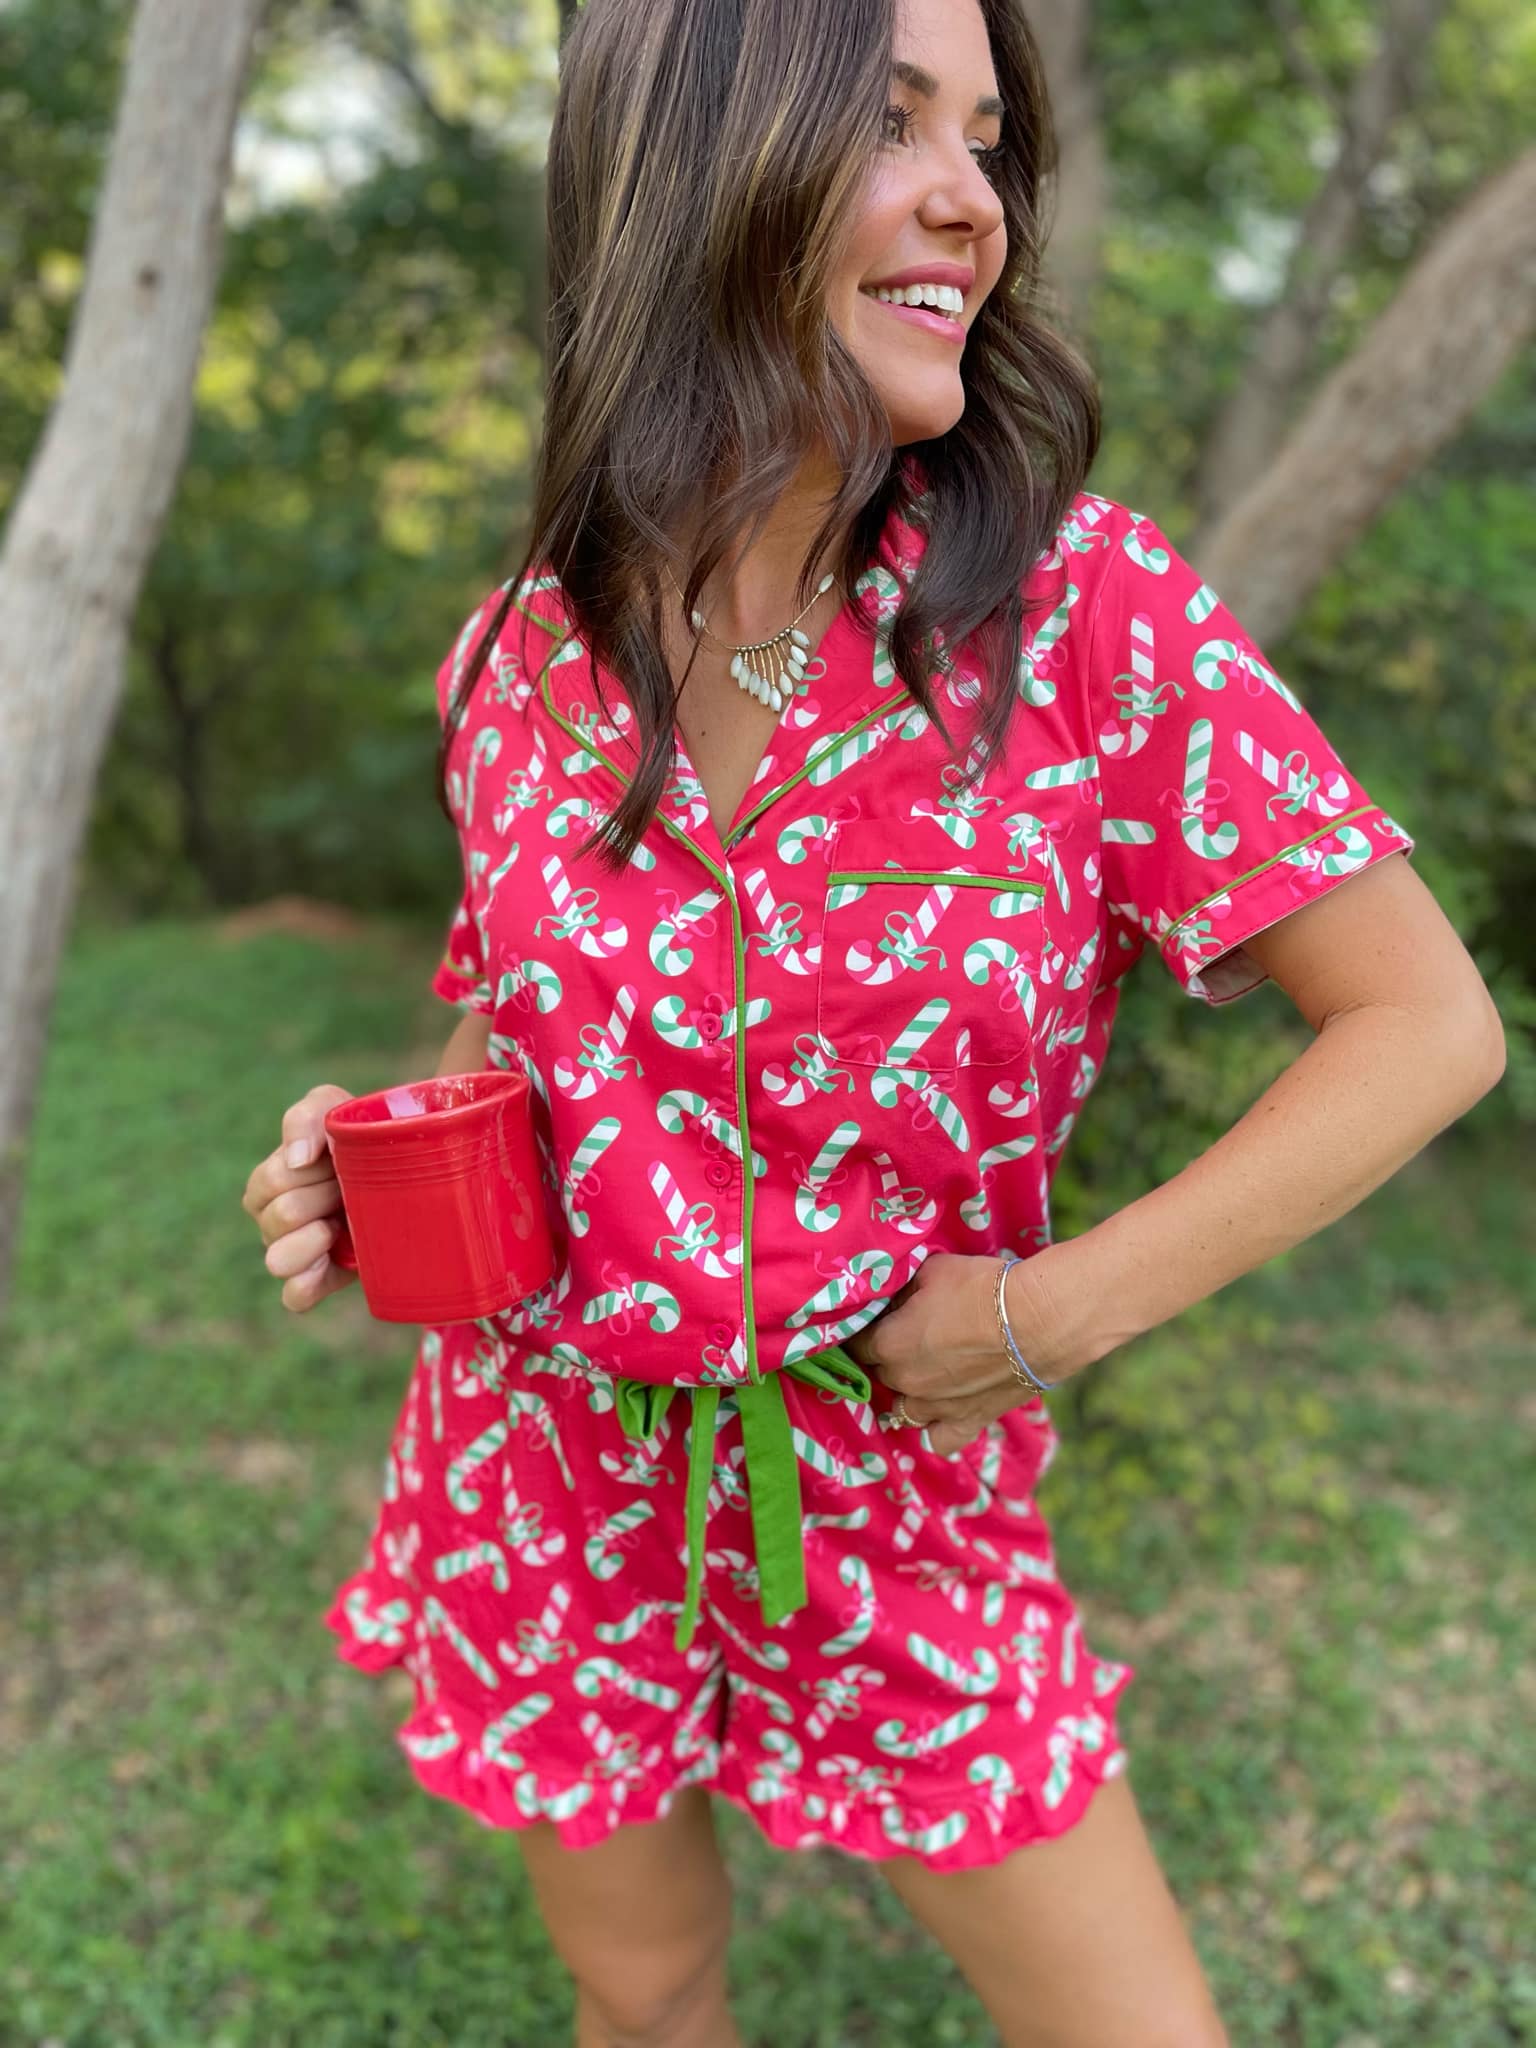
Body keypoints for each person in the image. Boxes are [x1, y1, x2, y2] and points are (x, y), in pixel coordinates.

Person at [241, 0, 1505, 2040]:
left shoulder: (1086, 619)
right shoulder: (524, 652)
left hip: (901, 1490)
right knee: (644, 1991)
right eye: (899, 124)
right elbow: (511, 1014)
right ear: (696, 170)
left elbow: (1429, 1024)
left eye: (991, 140)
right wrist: (381, 1146)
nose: (973, 201)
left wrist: (1049, 1310)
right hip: (551, 1463)